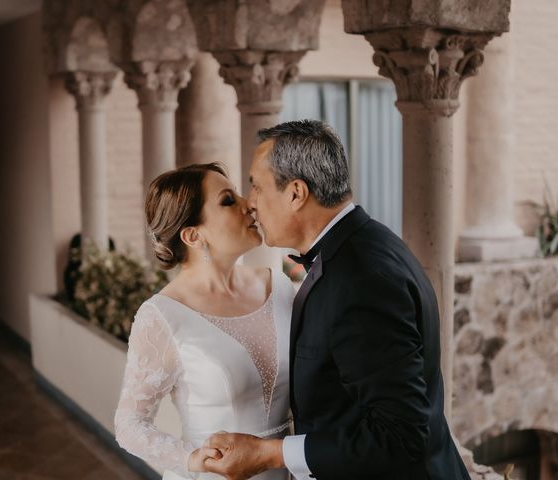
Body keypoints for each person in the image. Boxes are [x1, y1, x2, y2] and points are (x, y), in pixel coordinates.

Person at [202, 120, 471, 480]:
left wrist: (268, 453)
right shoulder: (364, 245)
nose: (250, 204)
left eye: (256, 186)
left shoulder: (362, 280)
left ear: (296, 193)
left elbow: (401, 437)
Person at [114, 162, 295, 480]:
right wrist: (194, 459)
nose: (249, 204)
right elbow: (129, 424)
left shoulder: (279, 287)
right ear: (193, 235)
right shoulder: (162, 317)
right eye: (228, 200)